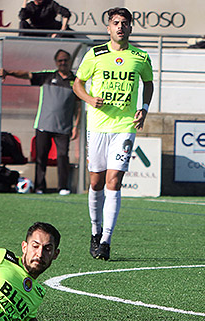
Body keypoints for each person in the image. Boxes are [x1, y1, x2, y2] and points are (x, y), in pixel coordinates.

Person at [73, 7, 154, 261]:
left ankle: (106, 239)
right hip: (97, 126)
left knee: (114, 181)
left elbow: (148, 83)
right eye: (116, 23)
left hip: (124, 127)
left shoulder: (140, 56)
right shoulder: (95, 54)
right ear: (108, 28)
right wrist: (89, 98)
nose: (120, 27)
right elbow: (78, 83)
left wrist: (144, 108)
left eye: (125, 23)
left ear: (130, 28)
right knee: (95, 182)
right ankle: (95, 231)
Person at [0, 49, 79, 195]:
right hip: (43, 125)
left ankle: (63, 187)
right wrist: (8, 72)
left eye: (65, 60)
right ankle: (40, 187)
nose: (63, 63)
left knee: (62, 156)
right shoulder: (47, 76)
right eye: (60, 60)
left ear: (70, 61)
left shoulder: (75, 80)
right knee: (41, 157)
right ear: (56, 62)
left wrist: (76, 126)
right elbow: (27, 75)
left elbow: (78, 106)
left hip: (64, 127)